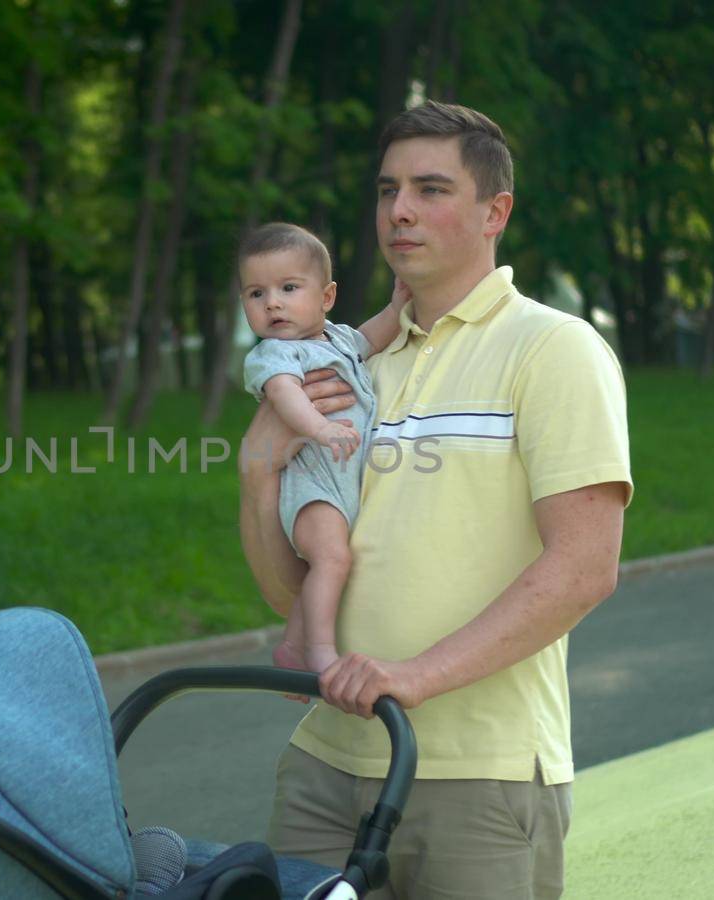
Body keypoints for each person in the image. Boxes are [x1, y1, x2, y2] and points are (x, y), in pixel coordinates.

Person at [237, 101, 633, 899]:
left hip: (477, 782)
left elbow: (585, 568)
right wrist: (256, 473)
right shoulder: (343, 363)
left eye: (430, 188)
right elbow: (295, 584)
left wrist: (413, 676)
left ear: (496, 211)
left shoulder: (555, 350)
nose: (400, 211)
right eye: (387, 190)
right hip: (323, 764)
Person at [237, 222, 410, 675]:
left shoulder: (337, 339)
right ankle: (317, 652)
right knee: (332, 558)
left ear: (326, 297)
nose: (272, 302)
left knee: (328, 564)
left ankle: (295, 644)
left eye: (288, 288)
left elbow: (373, 336)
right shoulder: (275, 354)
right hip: (313, 481)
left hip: (340, 480)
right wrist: (319, 429)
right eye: (256, 294)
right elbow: (285, 395)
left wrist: (397, 305)